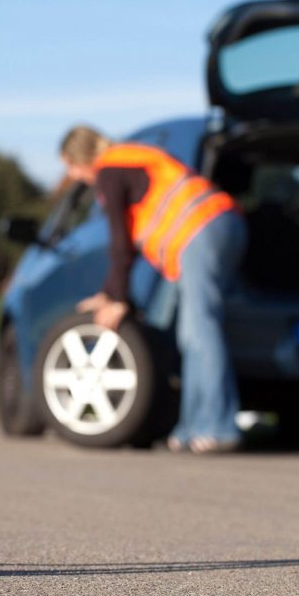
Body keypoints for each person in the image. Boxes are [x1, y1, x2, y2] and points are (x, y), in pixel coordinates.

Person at [59, 125, 248, 454]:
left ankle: (218, 427)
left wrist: (117, 299)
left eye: (71, 167)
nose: (74, 176)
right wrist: (110, 293)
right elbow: (128, 244)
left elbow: (120, 242)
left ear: (79, 157)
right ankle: (191, 429)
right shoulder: (130, 159)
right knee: (190, 330)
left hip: (201, 227)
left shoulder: (109, 169)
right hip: (219, 225)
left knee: (200, 327)